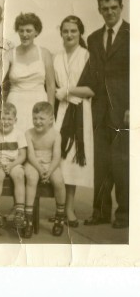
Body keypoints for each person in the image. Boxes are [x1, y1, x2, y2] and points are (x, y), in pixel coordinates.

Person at [85, 0, 129, 229]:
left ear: (121, 7)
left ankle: (124, 216)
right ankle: (100, 213)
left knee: (122, 163)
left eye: (113, 7)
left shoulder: (133, 34)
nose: (109, 12)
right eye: (105, 8)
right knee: (101, 164)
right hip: (99, 111)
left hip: (124, 111)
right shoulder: (93, 38)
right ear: (99, 9)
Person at [53, 15, 95, 226]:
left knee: (72, 162)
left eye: (74, 31)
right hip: (60, 112)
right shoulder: (56, 58)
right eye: (66, 31)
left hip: (80, 112)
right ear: (60, 32)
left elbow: (91, 89)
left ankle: (69, 208)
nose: (69, 35)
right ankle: (59, 207)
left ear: (80, 33)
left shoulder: (87, 55)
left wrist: (67, 91)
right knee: (57, 160)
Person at [1, 13, 55, 135]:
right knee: (15, 142)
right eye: (21, 31)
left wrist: (50, 111)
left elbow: (51, 86)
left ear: (36, 32)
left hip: (39, 102)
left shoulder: (45, 53)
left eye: (29, 31)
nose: (24, 34)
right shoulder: (10, 54)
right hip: (16, 102)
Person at [25, 102, 66, 238]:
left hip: (51, 164)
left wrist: (49, 171)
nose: (38, 122)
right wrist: (39, 168)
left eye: (42, 119)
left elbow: (57, 156)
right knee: (31, 178)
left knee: (59, 181)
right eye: (35, 118)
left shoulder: (56, 135)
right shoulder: (29, 133)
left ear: (51, 120)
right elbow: (30, 155)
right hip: (34, 163)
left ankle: (60, 215)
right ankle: (28, 218)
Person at [0, 103, 26, 229]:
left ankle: (20, 209)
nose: (6, 122)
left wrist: (12, 165)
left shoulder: (19, 134)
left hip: (14, 162)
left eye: (9, 119)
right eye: (3, 118)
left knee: (19, 174)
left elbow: (22, 155)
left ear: (15, 120)